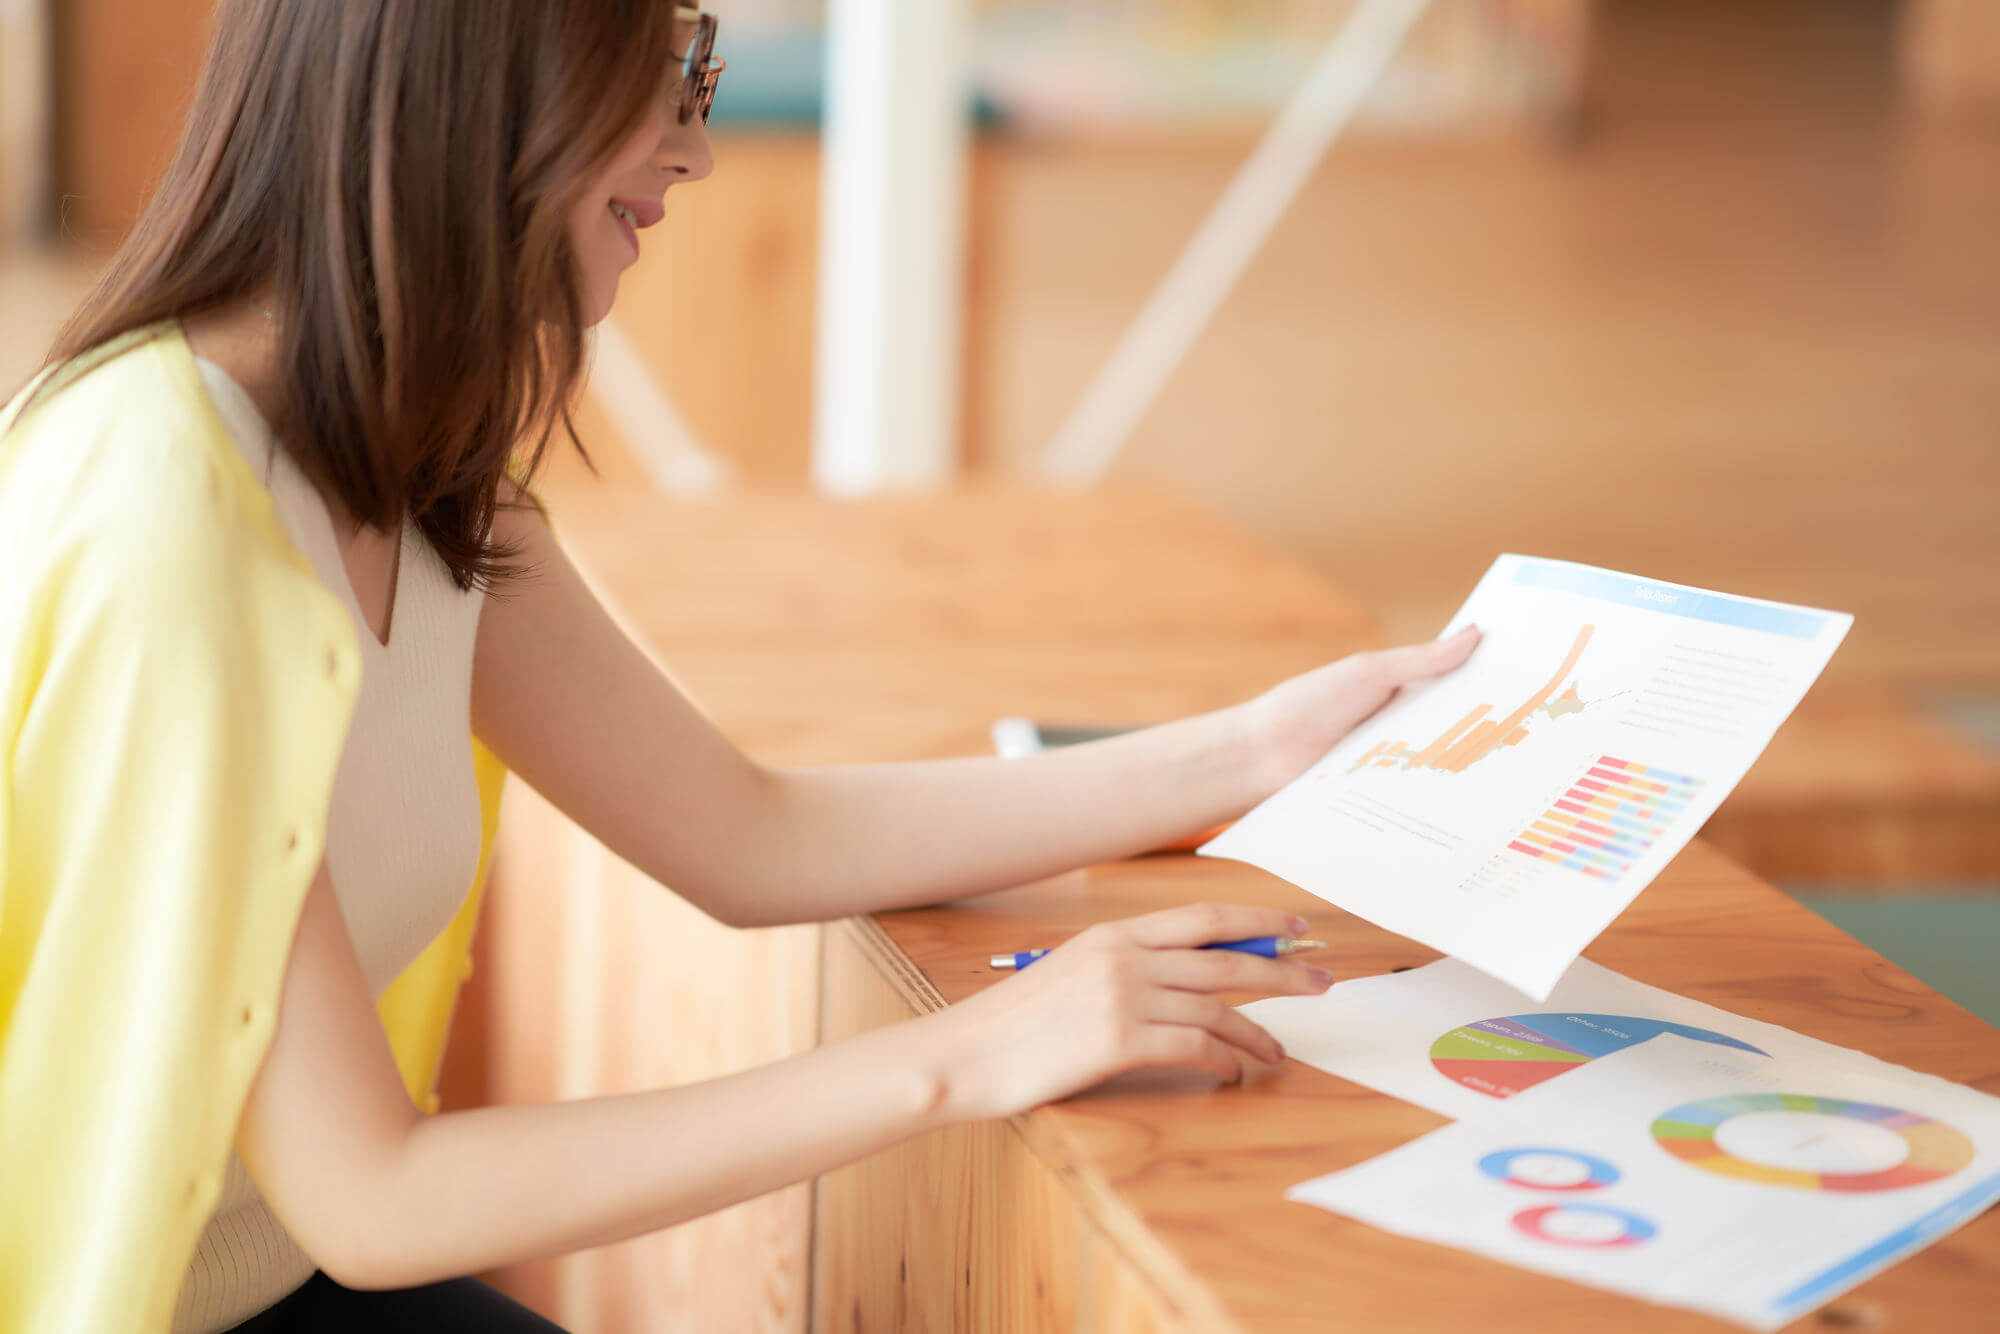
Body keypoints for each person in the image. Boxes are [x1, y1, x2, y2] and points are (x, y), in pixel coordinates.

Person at [0, 2, 1481, 1330]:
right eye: (663, 73)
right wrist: (972, 1054)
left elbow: (750, 831)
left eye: (693, 69)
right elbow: (375, 1198)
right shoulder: (166, 517)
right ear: (483, 73)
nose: (695, 148)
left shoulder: (421, 475)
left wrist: (1250, 752)